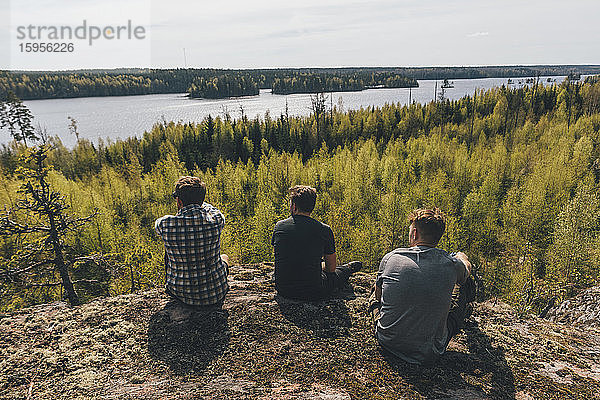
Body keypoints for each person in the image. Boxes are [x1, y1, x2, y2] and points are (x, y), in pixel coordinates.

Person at [369, 207, 475, 366]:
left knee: (376, 291)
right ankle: (464, 315)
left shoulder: (391, 257)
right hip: (429, 352)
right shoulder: (452, 264)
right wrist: (461, 257)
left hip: (387, 340)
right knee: (464, 285)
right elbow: (466, 271)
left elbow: (379, 297)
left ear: (414, 234)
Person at [272, 185, 362, 301]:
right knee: (336, 274)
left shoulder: (279, 226)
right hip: (314, 291)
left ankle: (346, 268)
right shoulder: (324, 229)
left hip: (283, 289)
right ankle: (348, 268)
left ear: (294, 207)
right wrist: (320, 266)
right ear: (312, 207)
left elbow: (278, 255)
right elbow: (330, 268)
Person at [154, 176, 229, 308]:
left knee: (169, 250)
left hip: (181, 293)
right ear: (201, 200)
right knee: (224, 257)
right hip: (217, 291)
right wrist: (198, 203)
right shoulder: (217, 219)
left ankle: (172, 282)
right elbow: (212, 209)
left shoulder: (164, 224)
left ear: (178, 201)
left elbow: (160, 225)